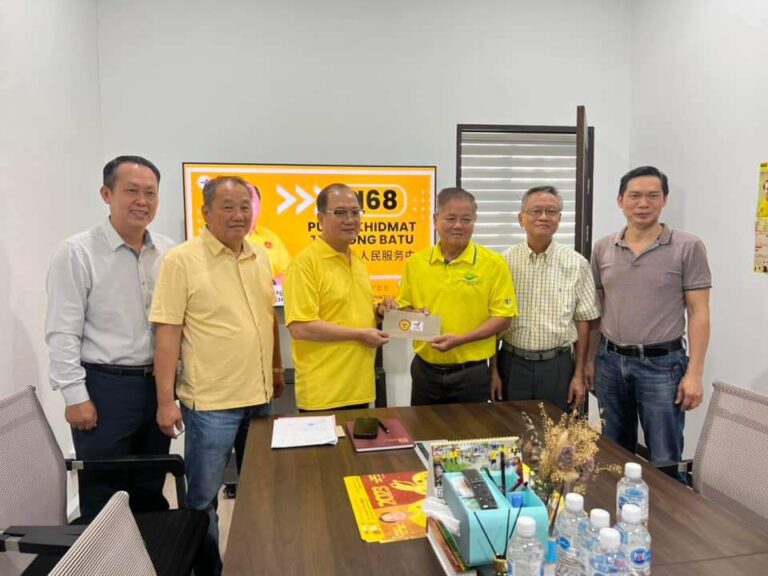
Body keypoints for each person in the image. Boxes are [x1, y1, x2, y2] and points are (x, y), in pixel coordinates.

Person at [149, 176, 283, 568]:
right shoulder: (181, 260)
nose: (239, 215)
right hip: (211, 405)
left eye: (245, 206)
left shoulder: (260, 256)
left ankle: (254, 563)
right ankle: (210, 569)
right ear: (205, 212)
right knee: (203, 499)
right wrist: (165, 401)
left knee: (260, 493)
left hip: (260, 398)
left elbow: (267, 319)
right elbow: (167, 333)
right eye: (228, 206)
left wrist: (276, 367)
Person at [45, 155, 174, 520]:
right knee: (103, 493)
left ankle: (149, 551)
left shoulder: (168, 251)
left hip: (157, 385)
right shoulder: (77, 252)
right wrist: (75, 396)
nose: (142, 201)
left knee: (150, 485)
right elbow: (62, 330)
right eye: (131, 191)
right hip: (104, 388)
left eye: (150, 193)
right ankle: (104, 554)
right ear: (107, 194)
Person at [587, 166, 711, 469]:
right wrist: (590, 361)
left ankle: (665, 502)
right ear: (620, 200)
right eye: (635, 196)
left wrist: (694, 374)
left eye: (652, 196)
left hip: (662, 365)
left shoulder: (688, 247)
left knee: (664, 455)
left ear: (664, 200)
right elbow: (595, 311)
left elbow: (699, 313)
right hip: (610, 362)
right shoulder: (603, 247)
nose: (643, 203)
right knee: (613, 451)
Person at [397, 187, 518, 405]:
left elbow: (503, 318)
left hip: (471, 373)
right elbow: (403, 310)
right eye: (450, 218)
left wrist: (461, 340)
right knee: (423, 426)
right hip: (425, 370)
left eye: (466, 219)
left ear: (475, 220)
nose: (458, 225)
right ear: (435, 219)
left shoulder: (493, 263)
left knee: (470, 427)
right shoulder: (415, 263)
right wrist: (414, 315)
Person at [491, 185, 600, 412]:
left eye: (551, 211)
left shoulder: (576, 263)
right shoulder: (502, 263)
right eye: (535, 211)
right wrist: (493, 372)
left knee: (556, 431)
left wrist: (579, 374)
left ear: (559, 219)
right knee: (511, 428)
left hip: (558, 366)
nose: (543, 217)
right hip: (512, 363)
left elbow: (584, 320)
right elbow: (492, 319)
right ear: (521, 218)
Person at [283, 183, 392, 411]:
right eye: (340, 213)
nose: (350, 220)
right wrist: (360, 335)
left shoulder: (357, 261)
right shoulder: (304, 264)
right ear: (321, 219)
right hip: (324, 395)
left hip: (359, 388)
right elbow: (300, 327)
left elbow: (348, 311)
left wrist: (379, 311)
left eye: (355, 212)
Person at [245, 182, 291, 282]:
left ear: (259, 205)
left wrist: (273, 283)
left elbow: (289, 273)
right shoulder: (220, 237)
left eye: (251, 199)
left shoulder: (271, 238)